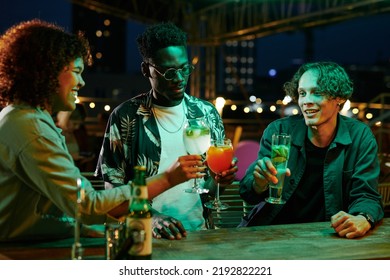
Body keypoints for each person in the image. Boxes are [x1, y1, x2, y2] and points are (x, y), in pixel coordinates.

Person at [0, 19, 180, 242]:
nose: (82, 82)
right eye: (76, 71)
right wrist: (168, 179)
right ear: (45, 70)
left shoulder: (24, 119)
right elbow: (86, 204)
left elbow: (43, 210)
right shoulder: (29, 127)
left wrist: (82, 228)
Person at [95, 22, 237, 239]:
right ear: (146, 70)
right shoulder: (125, 117)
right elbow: (111, 196)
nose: (179, 79)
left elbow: (206, 192)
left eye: (184, 68)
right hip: (142, 239)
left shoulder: (206, 113)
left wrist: (219, 181)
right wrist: (151, 217)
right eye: (169, 72)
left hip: (199, 235)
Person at [239, 61, 384, 239]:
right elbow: (248, 193)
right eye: (302, 93)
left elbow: (366, 194)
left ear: (339, 98)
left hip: (329, 236)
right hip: (273, 233)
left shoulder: (360, 136)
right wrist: (258, 184)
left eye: (316, 92)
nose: (306, 101)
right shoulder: (279, 131)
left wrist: (363, 217)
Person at [56, 103, 96, 171]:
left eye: (79, 124)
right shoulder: (53, 132)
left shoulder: (78, 133)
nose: (77, 127)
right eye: (74, 123)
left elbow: (86, 149)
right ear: (65, 119)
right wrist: (71, 156)